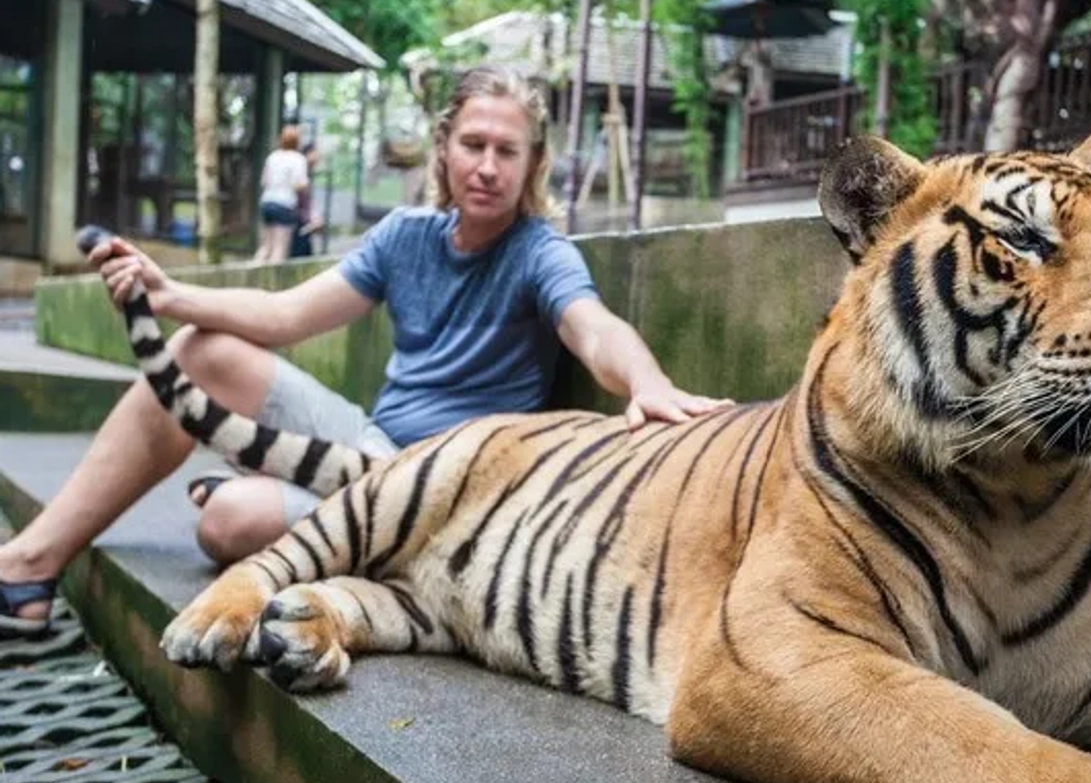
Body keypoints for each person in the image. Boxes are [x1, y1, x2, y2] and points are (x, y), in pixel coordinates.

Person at [0, 66, 730, 637]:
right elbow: (285, 314)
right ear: (444, 147)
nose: (487, 166)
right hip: (368, 443)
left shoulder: (541, 251)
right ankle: (31, 564)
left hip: (443, 492)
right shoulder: (403, 237)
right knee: (201, 349)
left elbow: (592, 325)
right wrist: (169, 294)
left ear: (531, 162)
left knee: (228, 527)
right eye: (473, 144)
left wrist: (647, 380)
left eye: (507, 151)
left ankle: (260, 477)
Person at [252, 124, 309, 265]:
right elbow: (300, 184)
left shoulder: (273, 156)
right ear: (297, 141)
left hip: (267, 202)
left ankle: (250, 279)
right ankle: (272, 286)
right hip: (285, 205)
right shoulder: (298, 158)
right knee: (279, 249)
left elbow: (264, 181)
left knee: (265, 247)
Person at [289, 143, 323, 259]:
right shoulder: (300, 167)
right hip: (295, 219)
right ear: (308, 153)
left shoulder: (308, 171)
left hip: (303, 221)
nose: (319, 156)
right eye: (316, 153)